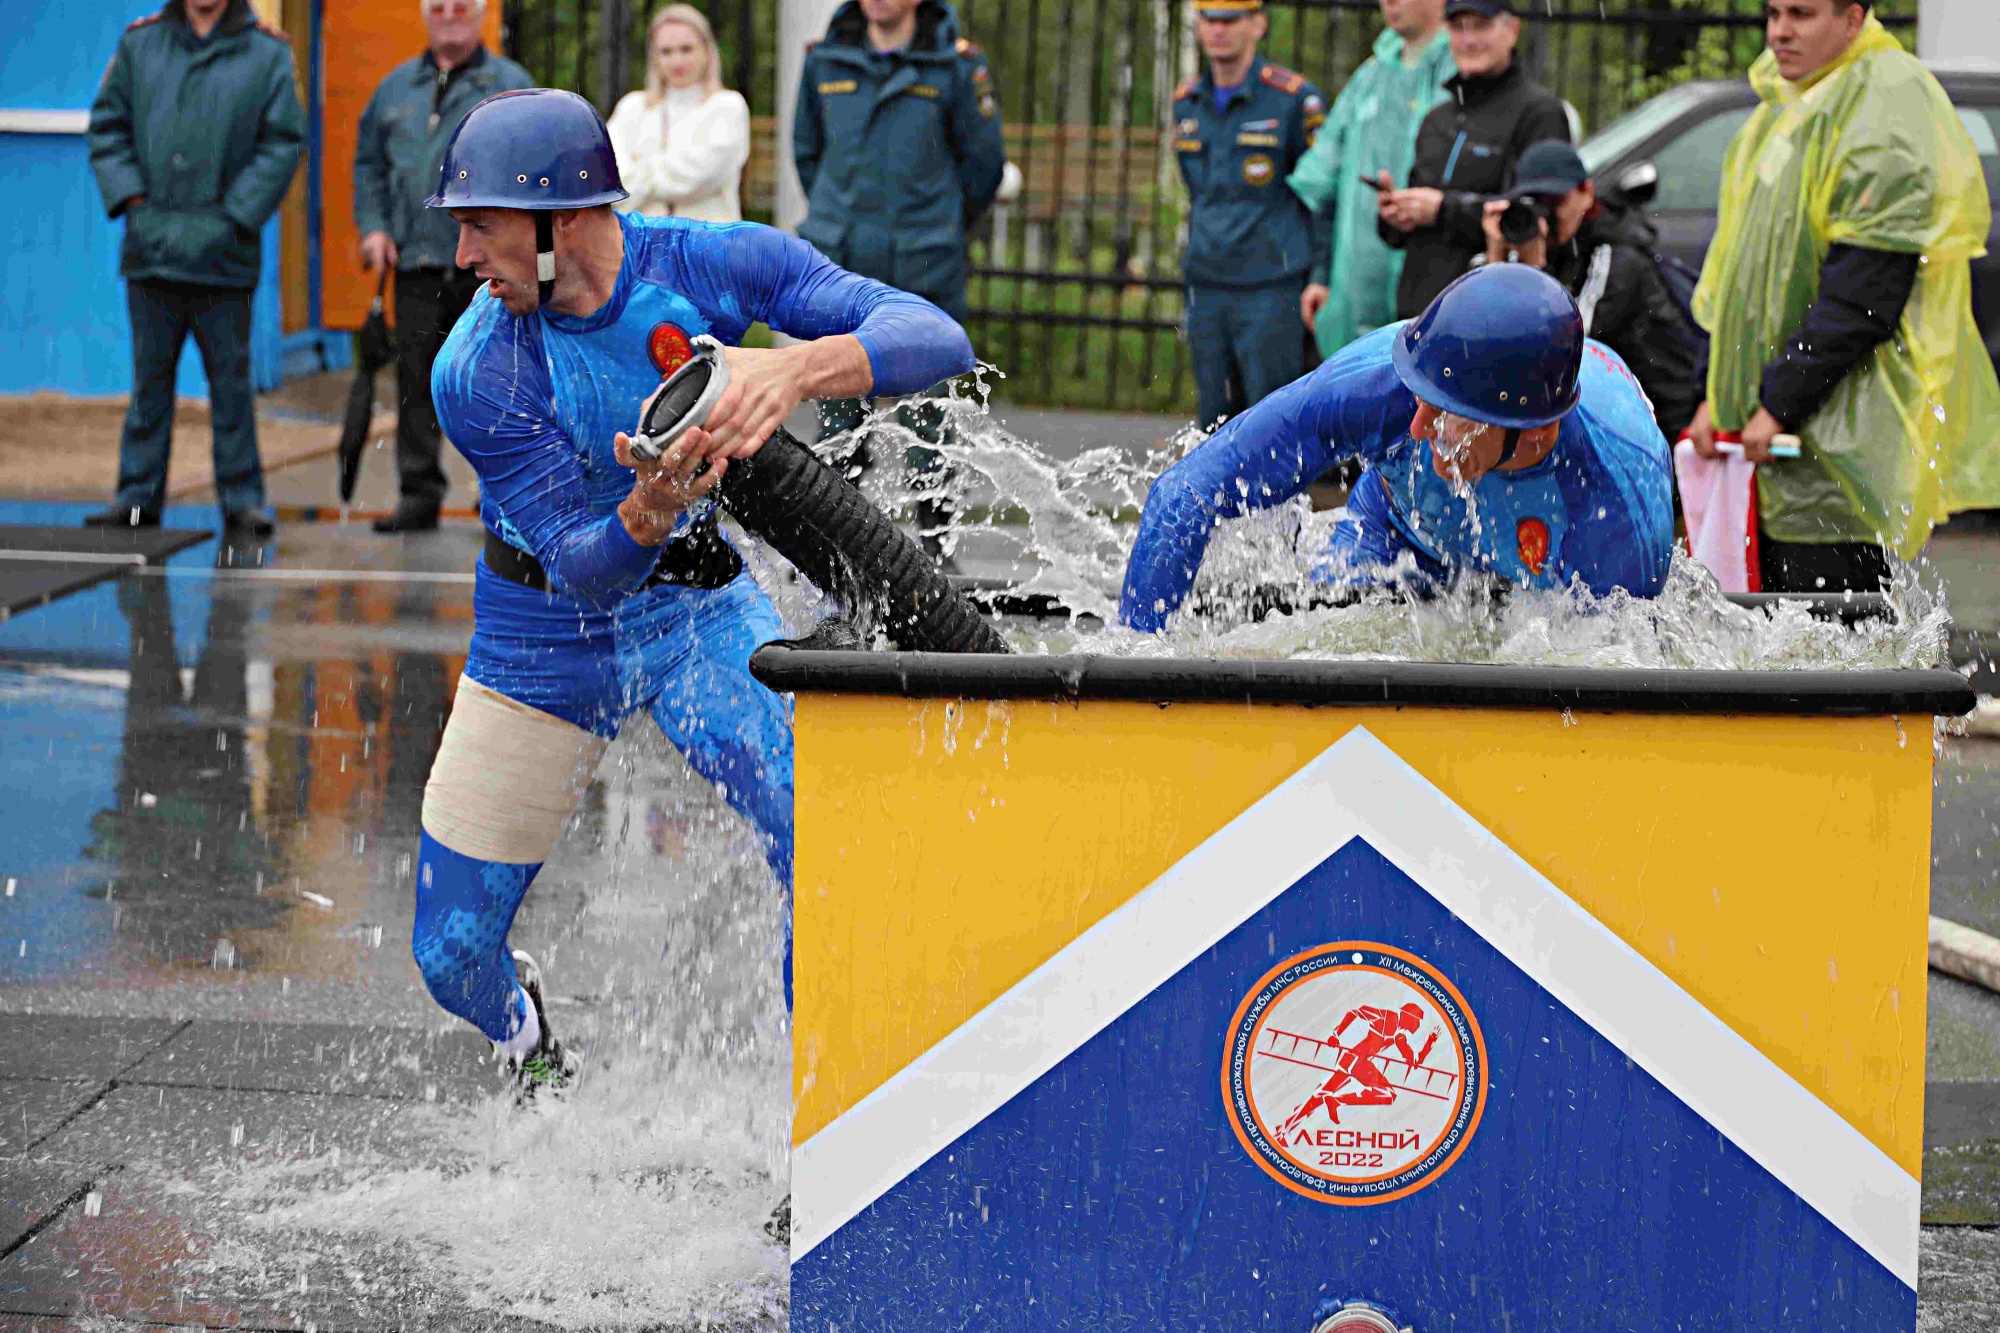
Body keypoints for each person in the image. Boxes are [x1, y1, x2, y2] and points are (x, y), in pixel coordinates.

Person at [415, 89, 973, 1092]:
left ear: (562, 219)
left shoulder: (706, 262)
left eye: (480, 226)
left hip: (697, 612)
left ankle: (825, 1125)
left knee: (828, 845)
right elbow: (584, 567)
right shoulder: (477, 368)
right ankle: (525, 1032)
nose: (462, 258)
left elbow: (934, 335)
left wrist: (801, 368)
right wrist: (645, 510)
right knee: (450, 956)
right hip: (540, 635)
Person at [1119, 265, 1673, 631]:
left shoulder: (1618, 503)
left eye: (1449, 414)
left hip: (1558, 567)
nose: (1417, 426)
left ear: (1535, 432)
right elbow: (1184, 494)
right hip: (1399, 527)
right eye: (1419, 398)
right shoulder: (1378, 383)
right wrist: (1136, 667)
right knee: (1330, 641)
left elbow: (1613, 690)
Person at [1688, 0, 2000, 592]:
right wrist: (1716, 394)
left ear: (1854, 18)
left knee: (1839, 646)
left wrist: (1779, 403)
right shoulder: (1791, 106)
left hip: (1836, 449)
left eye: (1801, 14)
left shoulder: (1882, 101)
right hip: (1767, 443)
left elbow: (1863, 296)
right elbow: (1734, 277)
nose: (1779, 32)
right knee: (1768, 647)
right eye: (1773, 13)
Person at [84, 0, 304, 537]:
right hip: (151, 254)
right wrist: (135, 205)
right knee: (149, 386)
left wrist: (233, 218)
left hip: (224, 257)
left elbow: (282, 142)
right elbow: (107, 128)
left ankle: (242, 502)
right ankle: (137, 500)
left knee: (231, 386)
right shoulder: (140, 45)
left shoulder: (267, 55)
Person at [793, 0, 1003, 558]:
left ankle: (937, 550)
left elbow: (983, 167)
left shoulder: (955, 65)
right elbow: (808, 155)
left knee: (928, 422)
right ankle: (829, 551)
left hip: (922, 268)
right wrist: (840, 219)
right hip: (842, 269)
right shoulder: (825, 60)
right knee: (838, 420)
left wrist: (934, 226)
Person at [353, 0, 533, 534]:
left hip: (490, 265)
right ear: (425, 15)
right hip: (416, 259)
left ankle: (500, 495)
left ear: (481, 15)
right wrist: (374, 226)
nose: (449, 14)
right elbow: (369, 163)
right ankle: (418, 491)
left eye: (462, 5)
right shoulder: (393, 88)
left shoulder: (510, 84)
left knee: (500, 380)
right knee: (415, 380)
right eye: (439, 6)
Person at [1477, 139, 1704, 444]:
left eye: (1554, 202)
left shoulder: (1619, 256)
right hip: (1618, 413)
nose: (1546, 216)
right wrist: (1497, 259)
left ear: (1587, 192)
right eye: (1533, 202)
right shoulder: (1562, 248)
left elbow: (1565, 347)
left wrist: (1534, 266)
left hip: (1666, 428)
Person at [1171, 0, 1327, 430]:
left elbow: (1320, 195)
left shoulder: (1294, 100)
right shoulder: (1186, 102)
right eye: (1208, 18)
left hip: (1269, 284)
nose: (1218, 30)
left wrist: (1321, 274)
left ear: (1257, 23)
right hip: (1207, 280)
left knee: (1271, 422)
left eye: (1230, 19)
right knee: (1212, 421)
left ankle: (1279, 502)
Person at [1376, 0, 1568, 321]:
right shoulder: (1437, 119)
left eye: (1481, 26)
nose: (1469, 40)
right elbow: (1408, 231)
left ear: (1512, 30)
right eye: (1458, 28)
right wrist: (1396, 213)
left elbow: (1537, 220)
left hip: (1494, 318)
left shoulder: (1539, 113)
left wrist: (1441, 210)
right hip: (1422, 319)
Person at [1287, 0, 1453, 357]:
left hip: (1436, 291)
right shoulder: (1369, 77)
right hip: (1356, 296)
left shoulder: (1464, 73)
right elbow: (1324, 185)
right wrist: (1321, 274)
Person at [607, 4, 751, 223]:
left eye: (686, 49)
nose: (677, 61)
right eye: (666, 51)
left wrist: (638, 172)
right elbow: (606, 177)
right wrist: (668, 170)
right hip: (638, 244)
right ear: (654, 56)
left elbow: (698, 178)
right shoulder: (631, 108)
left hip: (707, 246)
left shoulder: (727, 107)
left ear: (707, 50)